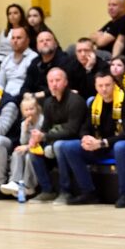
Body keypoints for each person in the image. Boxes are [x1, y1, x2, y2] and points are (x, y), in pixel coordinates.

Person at [56, 68, 125, 207]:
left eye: (107, 85)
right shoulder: (94, 103)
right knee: (68, 147)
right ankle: (88, 193)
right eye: (100, 86)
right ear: (96, 87)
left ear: (114, 84)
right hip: (102, 145)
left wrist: (102, 143)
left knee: (121, 147)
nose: (104, 89)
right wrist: (86, 138)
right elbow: (85, 127)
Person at [27, 67, 87, 203]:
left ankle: (65, 191)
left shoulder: (75, 101)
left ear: (65, 82)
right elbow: (45, 128)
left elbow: (72, 130)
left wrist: (45, 137)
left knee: (59, 146)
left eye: (58, 80)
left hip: (75, 142)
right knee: (34, 149)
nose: (54, 84)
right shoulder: (48, 102)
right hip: (54, 141)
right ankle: (47, 190)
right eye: (51, 81)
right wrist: (36, 137)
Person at [0, 92, 43, 198]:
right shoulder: (24, 123)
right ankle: (14, 182)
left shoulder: (42, 120)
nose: (29, 112)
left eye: (31, 109)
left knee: (29, 156)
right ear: (22, 112)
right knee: (17, 152)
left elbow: (41, 141)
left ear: (37, 108)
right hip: (29, 147)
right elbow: (23, 141)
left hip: (40, 148)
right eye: (26, 110)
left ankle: (29, 186)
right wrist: (24, 129)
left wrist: (27, 147)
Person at [21, 30, 70, 98]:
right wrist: (27, 95)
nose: (45, 42)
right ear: (37, 46)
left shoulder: (65, 61)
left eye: (48, 40)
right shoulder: (35, 62)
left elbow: (62, 88)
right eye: (41, 41)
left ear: (55, 44)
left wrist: (39, 95)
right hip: (34, 99)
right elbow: (25, 87)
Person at [0, 26, 37, 99]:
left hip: (25, 98)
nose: (15, 41)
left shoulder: (33, 58)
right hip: (6, 99)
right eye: (13, 38)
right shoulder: (7, 59)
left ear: (27, 41)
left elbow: (33, 85)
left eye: (19, 38)